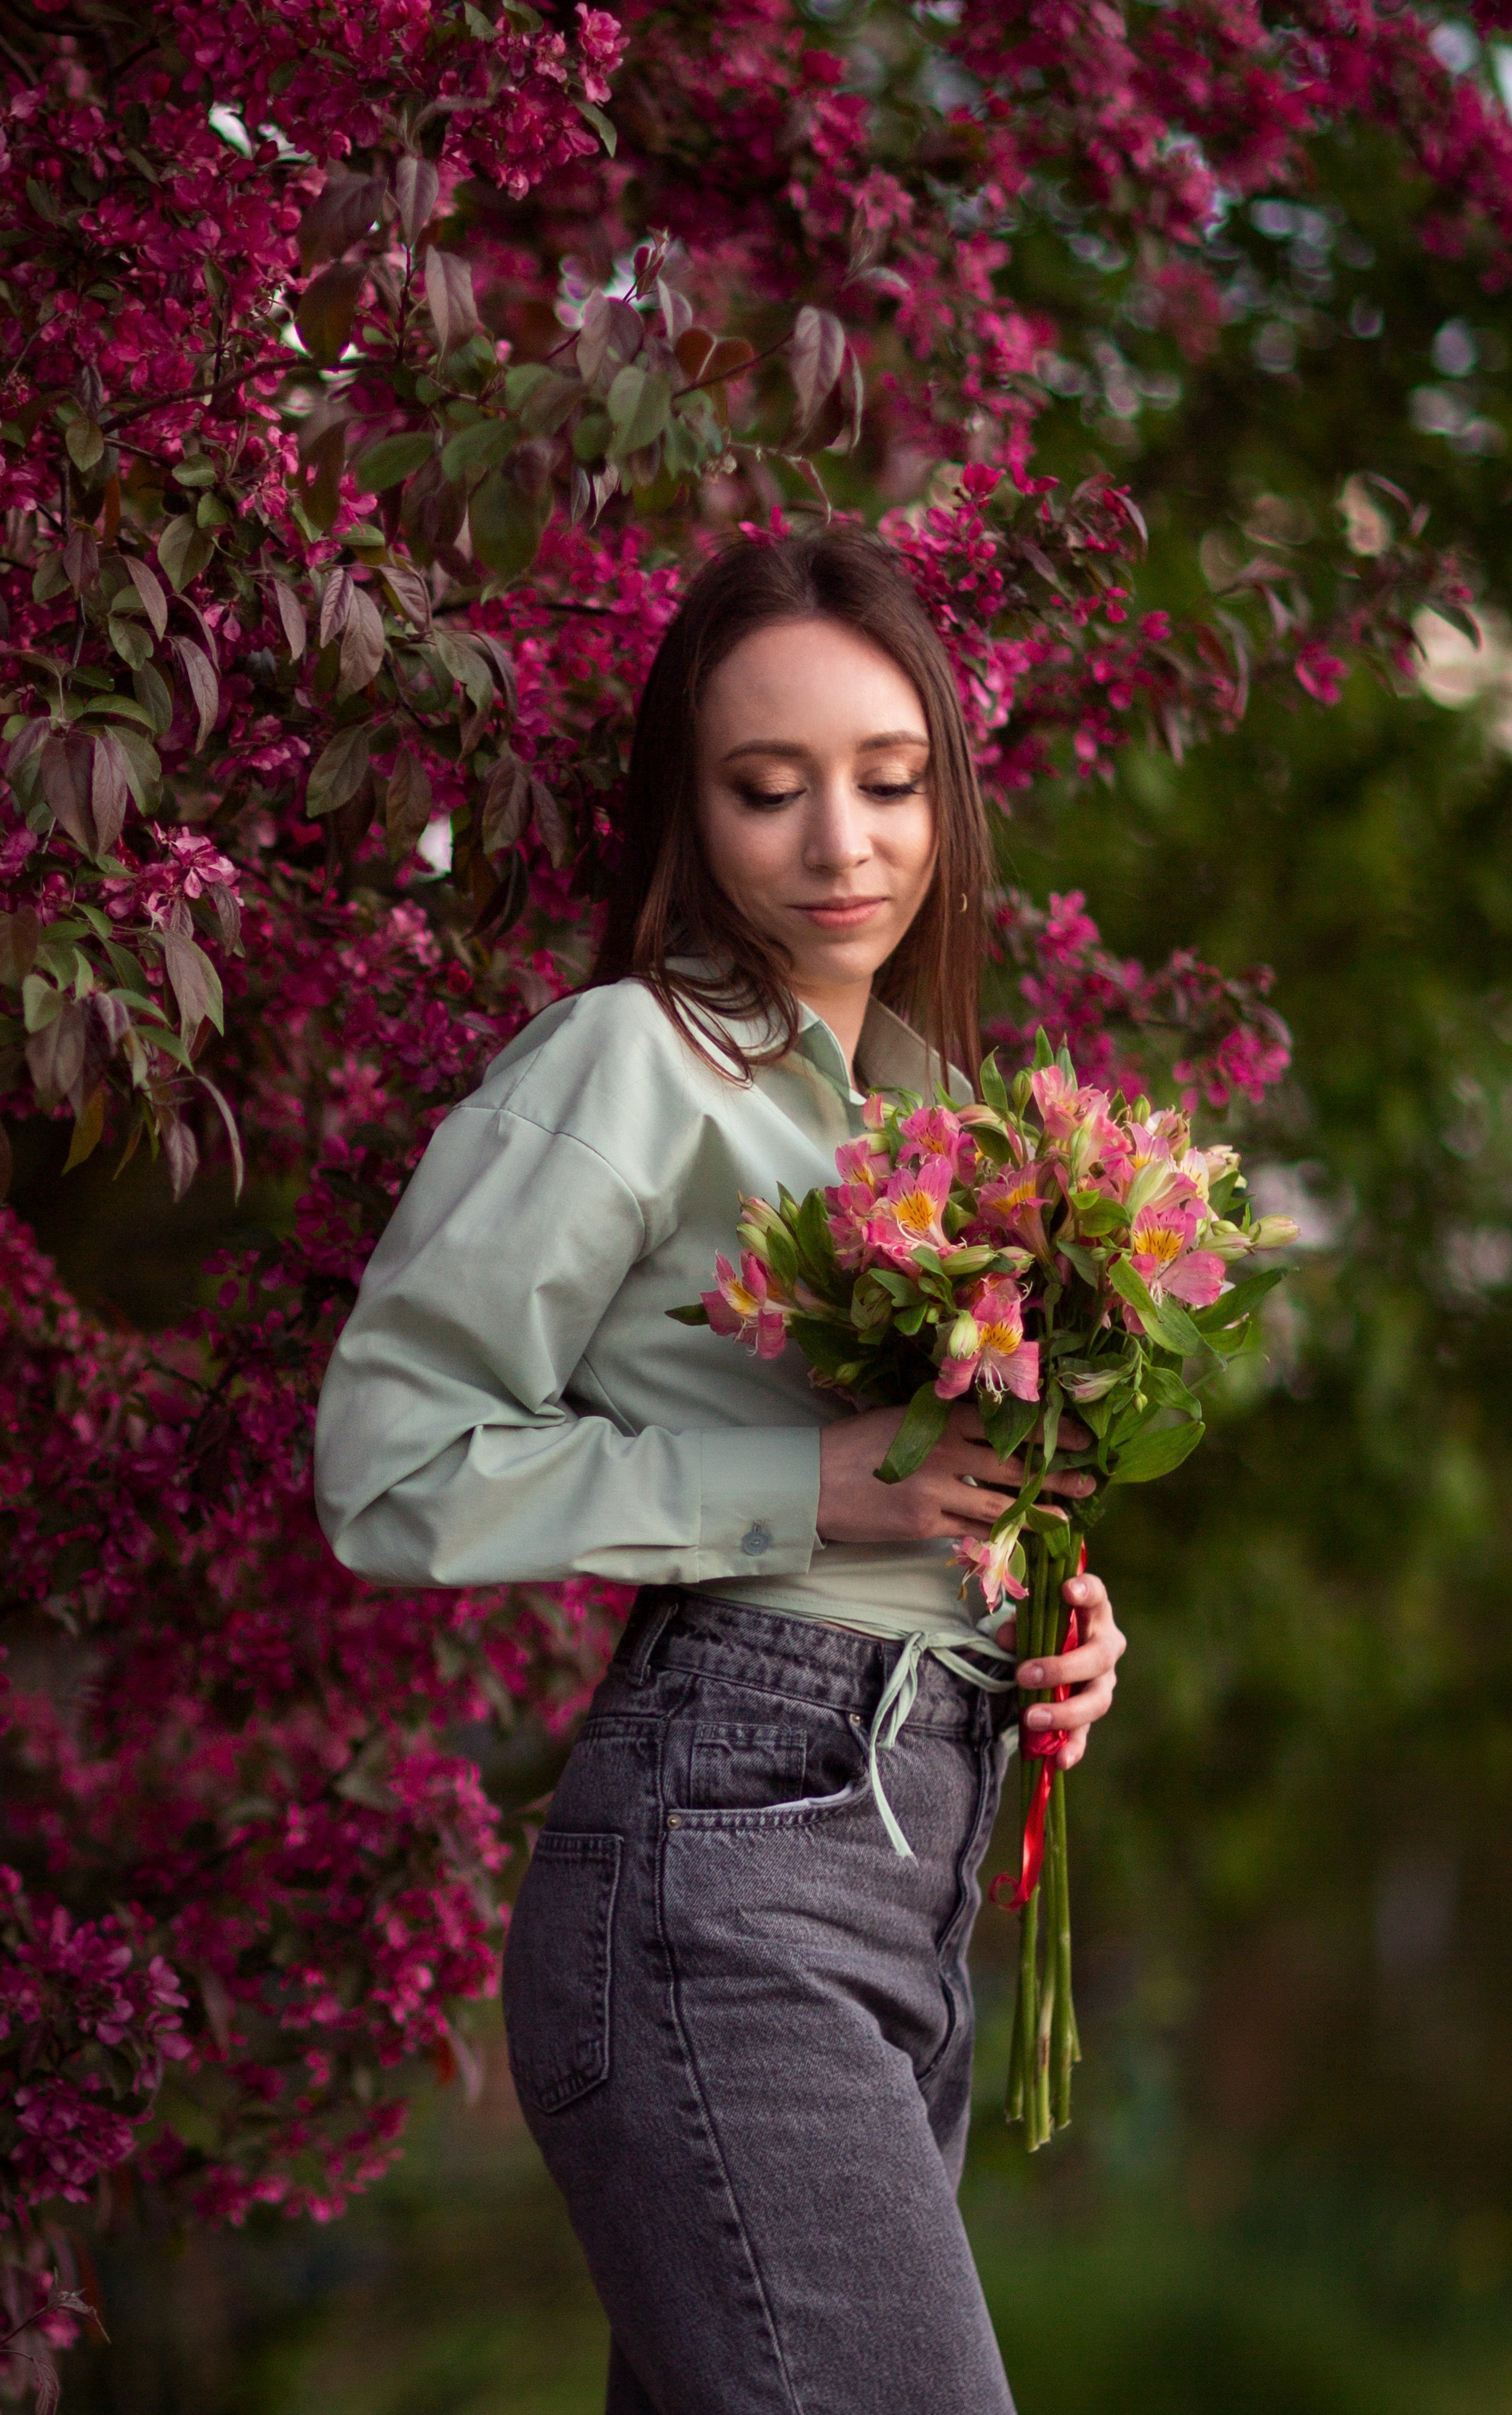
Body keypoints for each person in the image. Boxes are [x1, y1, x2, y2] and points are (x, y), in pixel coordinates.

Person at [313, 530, 1126, 2415]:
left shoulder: (945, 1124)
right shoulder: (631, 1063)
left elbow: (918, 1499)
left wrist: (1048, 1616)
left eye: (889, 781)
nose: (842, 840)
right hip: (730, 1864)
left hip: (906, 1865)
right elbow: (388, 1458)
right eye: (769, 788)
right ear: (689, 810)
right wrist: (803, 1491)